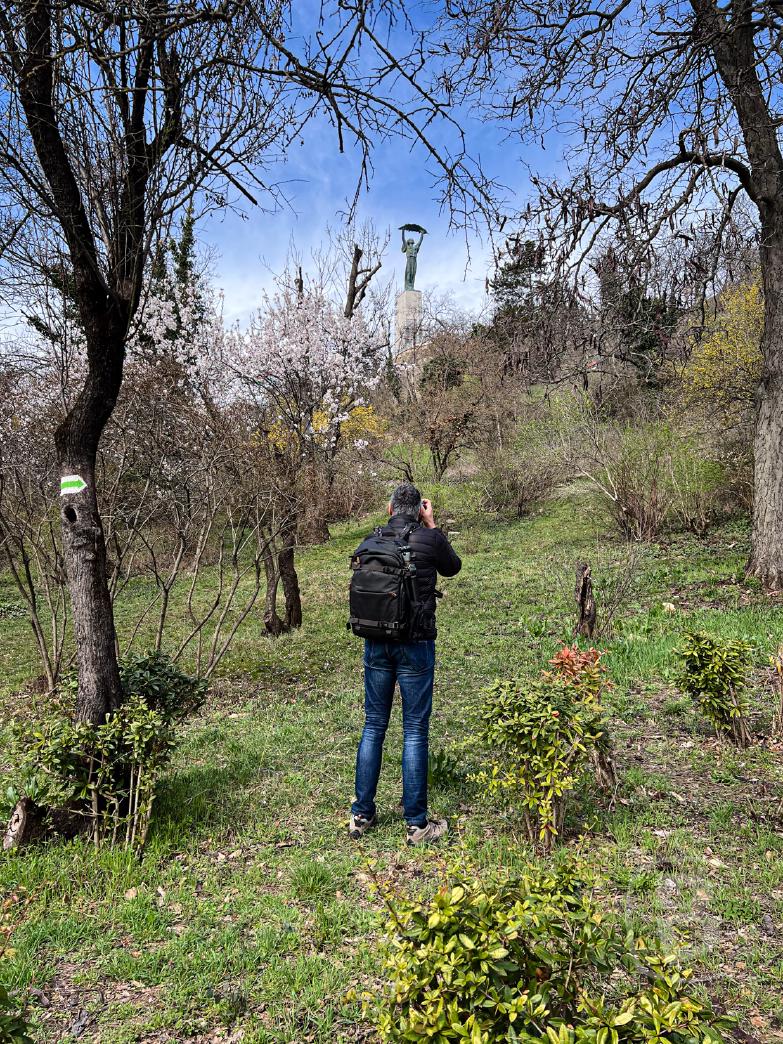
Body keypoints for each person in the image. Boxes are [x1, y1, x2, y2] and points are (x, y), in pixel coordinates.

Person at [349, 483, 462, 845]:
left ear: (390, 509)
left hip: (376, 643)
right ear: (418, 510)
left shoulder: (370, 540)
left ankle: (361, 815)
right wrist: (432, 524)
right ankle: (416, 825)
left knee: (373, 725)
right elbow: (453, 567)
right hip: (415, 644)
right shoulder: (430, 539)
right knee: (414, 729)